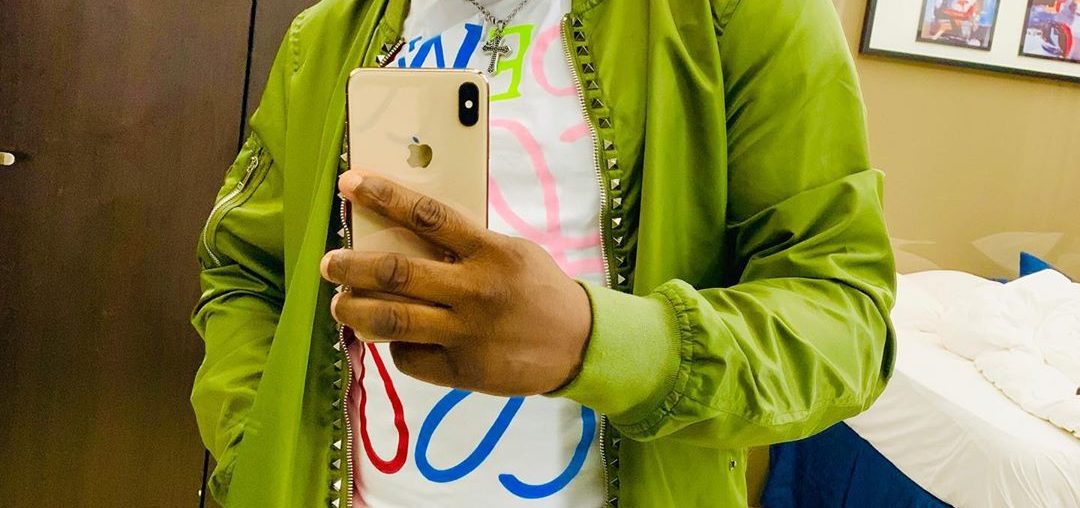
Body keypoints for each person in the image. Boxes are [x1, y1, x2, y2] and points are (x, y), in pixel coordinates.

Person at [190, 0, 897, 506]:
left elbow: (846, 320)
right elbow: (244, 272)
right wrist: (254, 457)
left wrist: (593, 342)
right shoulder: (325, 37)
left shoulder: (740, 15)